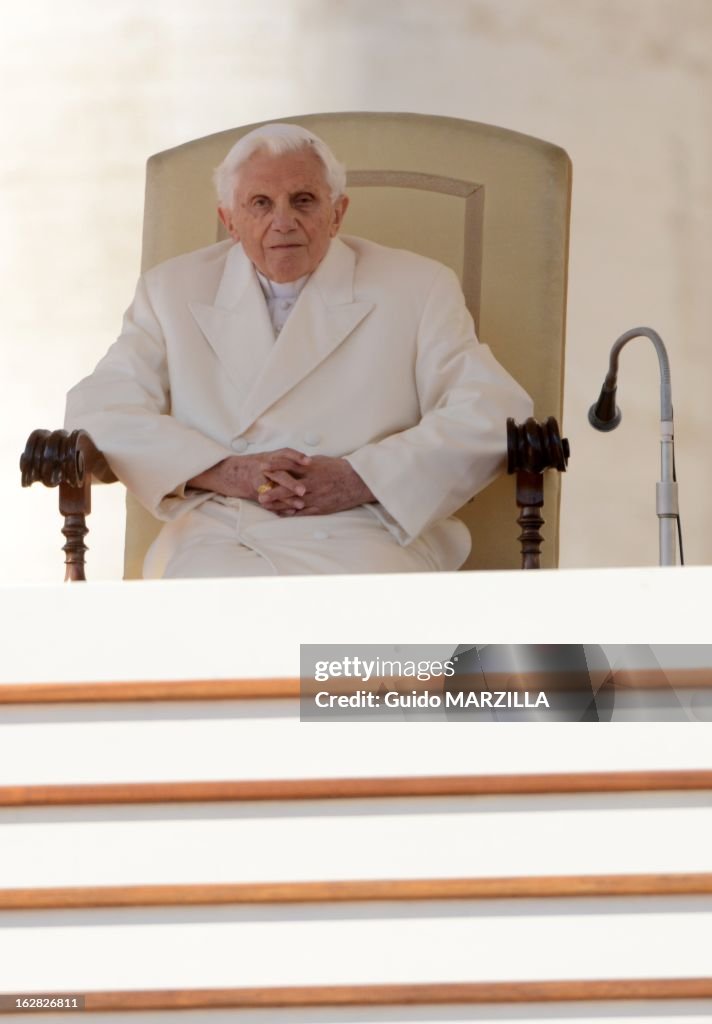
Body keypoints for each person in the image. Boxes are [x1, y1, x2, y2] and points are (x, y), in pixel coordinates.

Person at [65, 123, 533, 578]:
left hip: (368, 526)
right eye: (261, 204)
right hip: (223, 529)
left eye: (303, 200)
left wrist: (361, 477)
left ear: (337, 212)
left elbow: (493, 412)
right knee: (211, 629)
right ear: (229, 220)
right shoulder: (170, 291)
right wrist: (228, 472)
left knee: (361, 637)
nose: (283, 222)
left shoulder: (418, 285)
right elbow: (100, 410)